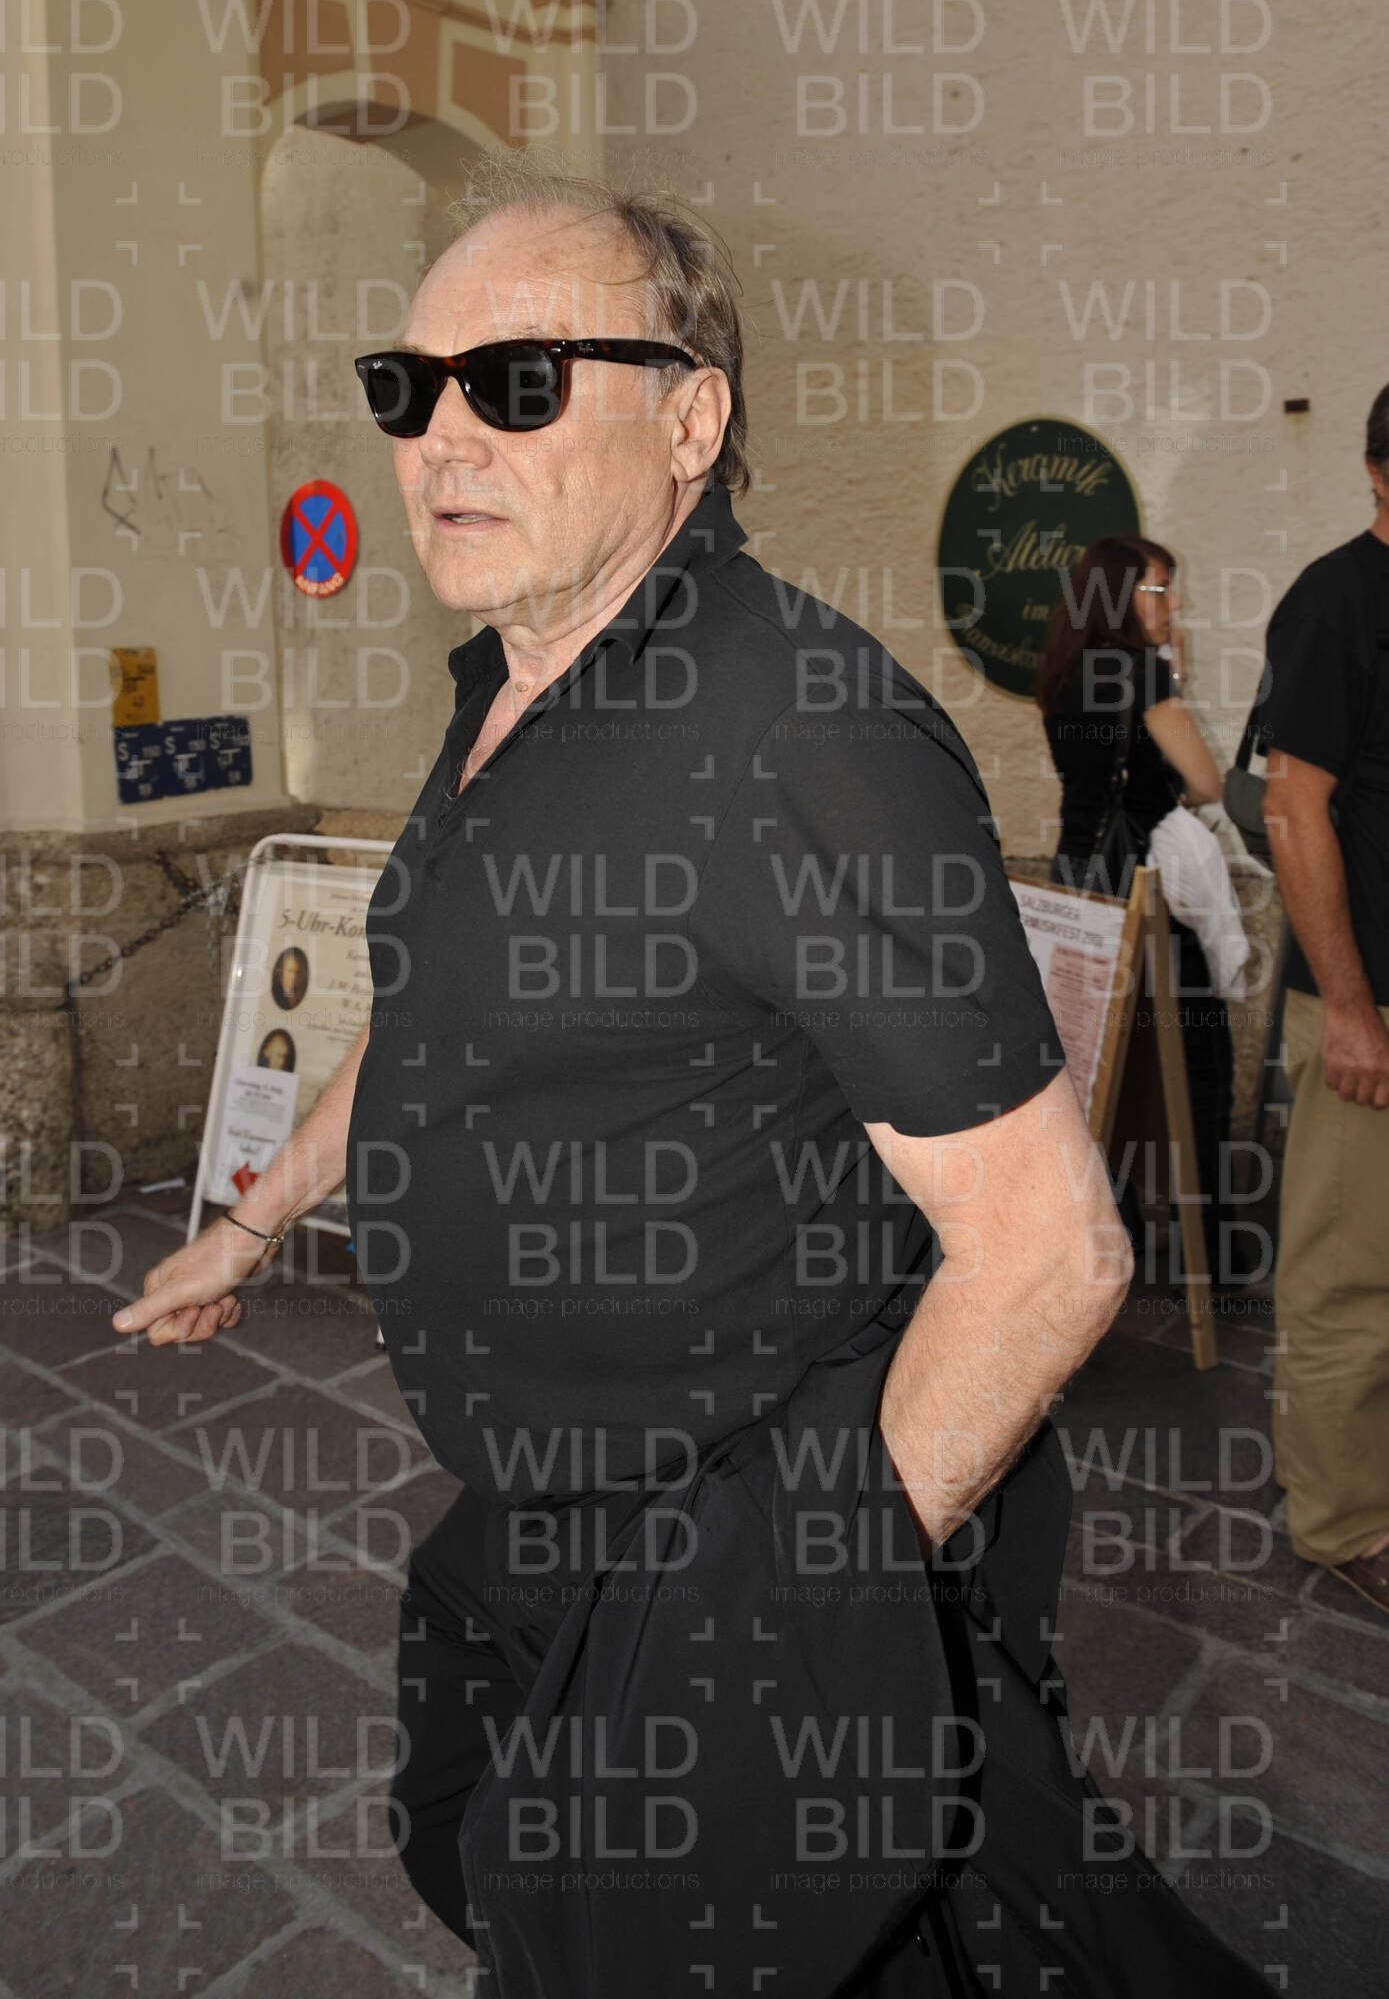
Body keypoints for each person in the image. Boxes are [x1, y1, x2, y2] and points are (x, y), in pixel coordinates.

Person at [110, 163, 1270, 1996]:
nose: (439, 437)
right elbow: (430, 1013)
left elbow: (1054, 1255)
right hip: (539, 1529)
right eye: (408, 388)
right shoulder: (504, 690)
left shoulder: (796, 728)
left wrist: (781, 1620)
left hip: (735, 1543)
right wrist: (253, 1221)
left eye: (517, 382)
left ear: (689, 421)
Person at [1259, 384, 1389, 1611]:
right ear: (1379, 474)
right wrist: (1347, 1007)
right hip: (1368, 1006)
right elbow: (1292, 809)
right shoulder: (1336, 600)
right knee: (1349, 1277)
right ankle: (1346, 1523)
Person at [1036, 534, 1243, 1283]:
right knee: (1198, 1069)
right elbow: (1207, 781)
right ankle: (1213, 1254)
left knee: (1102, 1075)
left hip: (1079, 887)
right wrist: (1171, 677)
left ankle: (1112, 1237)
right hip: (1145, 897)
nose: (1173, 603)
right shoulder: (1143, 671)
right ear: (1120, 597)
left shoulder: (1062, 673)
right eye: (1159, 589)